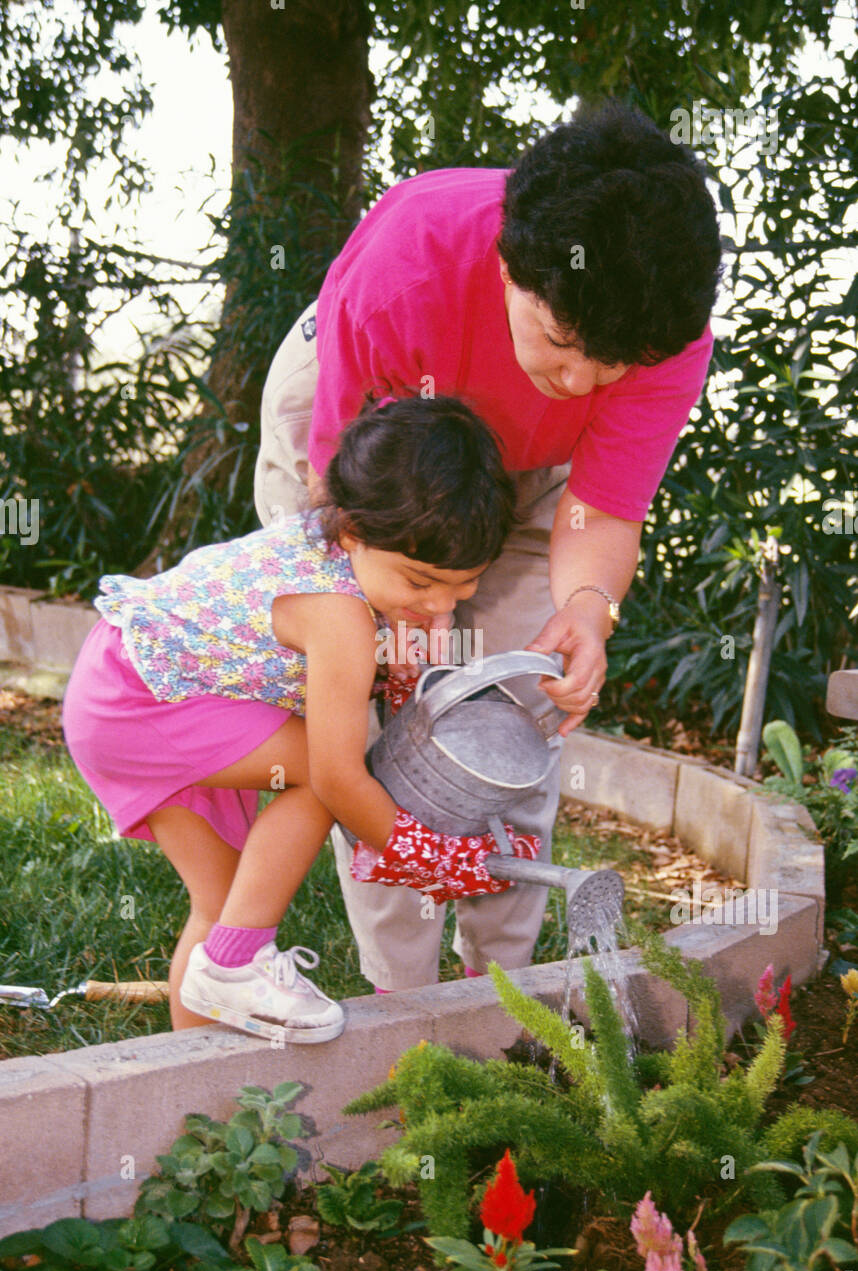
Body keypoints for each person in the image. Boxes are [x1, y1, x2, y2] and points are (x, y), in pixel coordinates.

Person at [253, 101, 722, 992]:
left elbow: (604, 506)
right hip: (368, 447)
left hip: (536, 469)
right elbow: (346, 504)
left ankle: (498, 997)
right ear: (510, 264)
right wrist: (396, 623)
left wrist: (588, 608)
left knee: (518, 703)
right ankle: (405, 1004)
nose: (579, 381)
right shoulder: (407, 268)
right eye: (560, 341)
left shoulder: (660, 323)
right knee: (378, 711)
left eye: (612, 366)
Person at [61, 395, 537, 1043]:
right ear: (352, 532)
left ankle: (190, 1083)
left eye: (462, 588)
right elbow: (339, 781)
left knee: (224, 904)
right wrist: (430, 857)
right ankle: (235, 963)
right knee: (314, 775)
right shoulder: (338, 614)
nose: (438, 609)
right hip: (143, 702)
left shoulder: (332, 553)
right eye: (421, 582)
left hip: (123, 682)